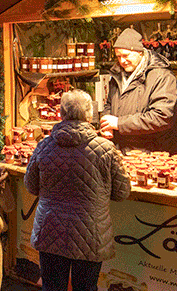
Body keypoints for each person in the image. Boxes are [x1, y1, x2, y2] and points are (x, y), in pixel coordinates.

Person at [25, 90, 130, 291]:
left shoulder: (43, 146)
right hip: (90, 234)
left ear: (61, 114)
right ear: (89, 115)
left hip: (50, 230)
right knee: (86, 287)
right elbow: (122, 192)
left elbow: (30, 186)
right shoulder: (106, 149)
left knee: (52, 287)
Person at [99, 28, 177, 154]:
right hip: (122, 151)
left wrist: (119, 124)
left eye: (126, 55)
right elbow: (109, 105)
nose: (122, 61)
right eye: (118, 56)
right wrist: (106, 124)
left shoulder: (162, 77)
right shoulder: (117, 76)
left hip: (153, 154)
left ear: (140, 52)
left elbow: (162, 116)